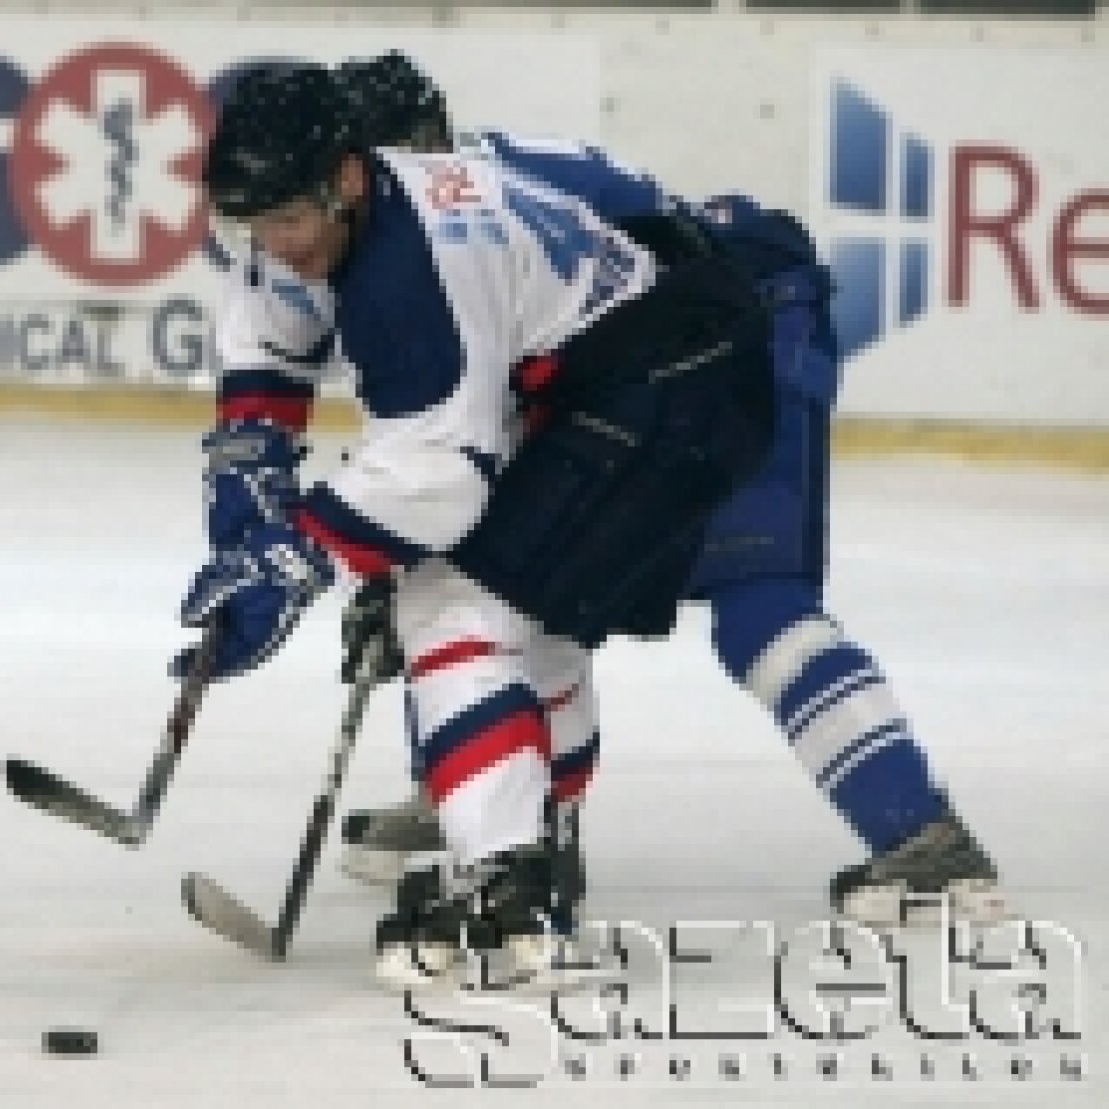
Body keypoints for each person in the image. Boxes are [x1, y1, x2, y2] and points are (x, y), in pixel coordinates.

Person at [331, 51, 1004, 928]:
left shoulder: (463, 216)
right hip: (655, 352)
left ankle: (928, 843)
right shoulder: (439, 219)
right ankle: (500, 809)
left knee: (759, 600)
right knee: (511, 582)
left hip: (742, 332)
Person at [189, 62, 775, 987]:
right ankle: (533, 859)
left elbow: (437, 477)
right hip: (626, 376)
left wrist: (299, 550)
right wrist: (247, 491)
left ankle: (510, 891)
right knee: (523, 619)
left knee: (456, 607)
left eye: (288, 220)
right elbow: (268, 346)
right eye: (248, 224)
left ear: (345, 179)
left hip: (675, 385)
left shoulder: (411, 267)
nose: (274, 244)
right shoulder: (323, 218)